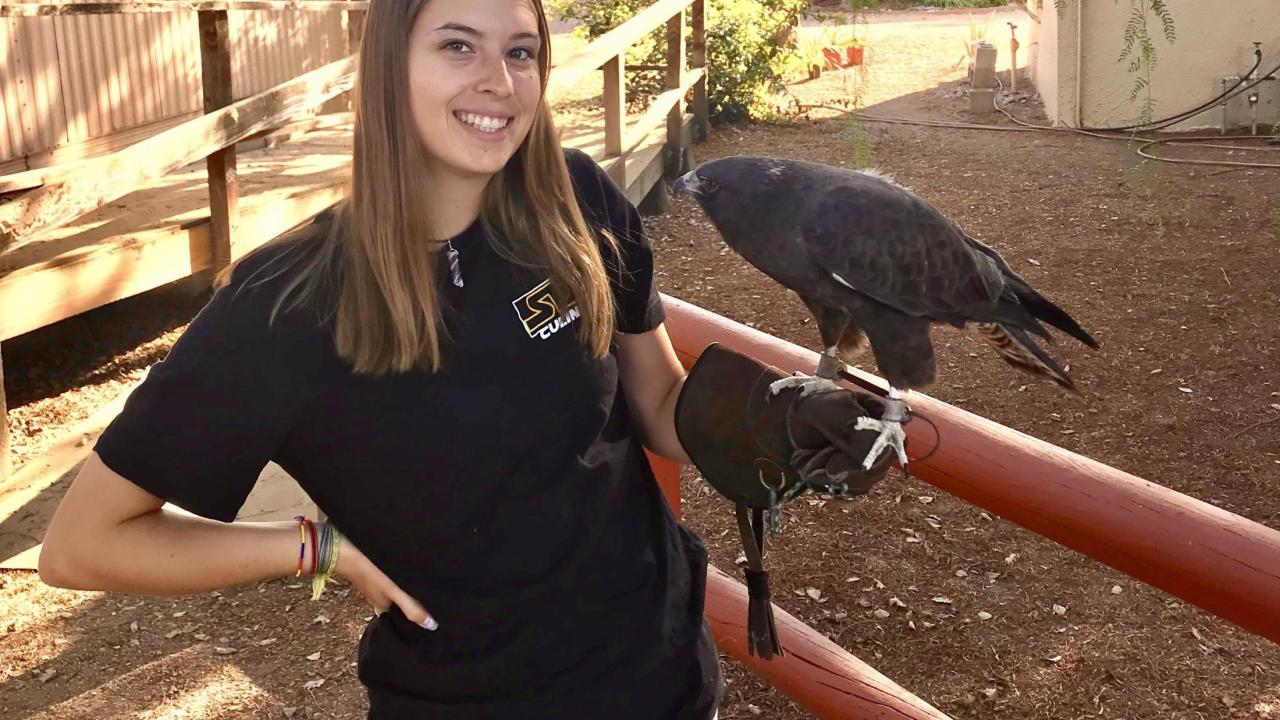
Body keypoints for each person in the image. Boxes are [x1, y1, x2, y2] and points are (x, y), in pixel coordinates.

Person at [38, 0, 891, 716]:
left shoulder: (579, 200)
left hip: (663, 671)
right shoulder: (287, 301)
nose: (500, 81)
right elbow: (81, 545)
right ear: (389, 65)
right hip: (469, 699)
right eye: (458, 46)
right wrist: (313, 547)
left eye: (522, 51)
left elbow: (657, 402)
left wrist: (776, 420)